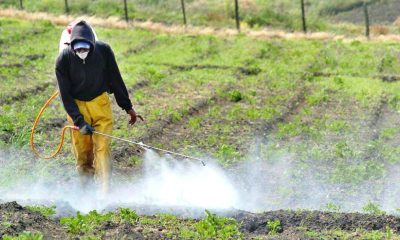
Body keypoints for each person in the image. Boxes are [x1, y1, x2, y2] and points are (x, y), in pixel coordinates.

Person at [55, 20, 142, 194]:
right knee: (83, 152)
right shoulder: (63, 60)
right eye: (78, 49)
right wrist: (79, 122)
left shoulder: (104, 51)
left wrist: (128, 107)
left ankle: (105, 192)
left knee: (102, 148)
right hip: (77, 107)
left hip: (100, 103)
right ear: (72, 47)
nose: (82, 53)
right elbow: (66, 96)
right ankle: (86, 191)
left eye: (85, 49)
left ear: (92, 45)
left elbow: (116, 80)